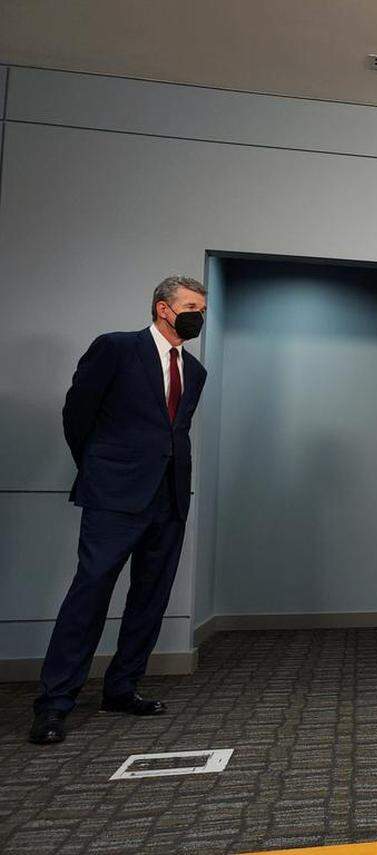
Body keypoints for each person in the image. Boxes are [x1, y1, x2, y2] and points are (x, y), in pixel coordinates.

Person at [29, 276, 209, 745]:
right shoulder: (115, 349)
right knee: (89, 597)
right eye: (191, 306)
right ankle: (53, 705)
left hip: (168, 498)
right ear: (163, 309)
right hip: (114, 497)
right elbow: (78, 414)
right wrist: (100, 470)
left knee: (150, 599)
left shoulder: (195, 371)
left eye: (203, 308)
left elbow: (175, 433)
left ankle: (121, 688)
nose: (199, 315)